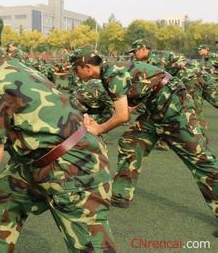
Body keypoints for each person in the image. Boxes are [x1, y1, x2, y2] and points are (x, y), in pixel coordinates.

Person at [0, 9, 116, 252]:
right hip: (43, 159)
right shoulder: (11, 66)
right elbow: (20, 128)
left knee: (92, 246)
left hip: (75, 167)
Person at [69, 47, 218, 237]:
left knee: (201, 160)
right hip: (154, 107)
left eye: (77, 69)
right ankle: (121, 192)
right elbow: (139, 91)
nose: (76, 73)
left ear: (87, 67)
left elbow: (122, 117)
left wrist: (98, 128)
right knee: (131, 141)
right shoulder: (109, 72)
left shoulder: (111, 74)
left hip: (174, 108)